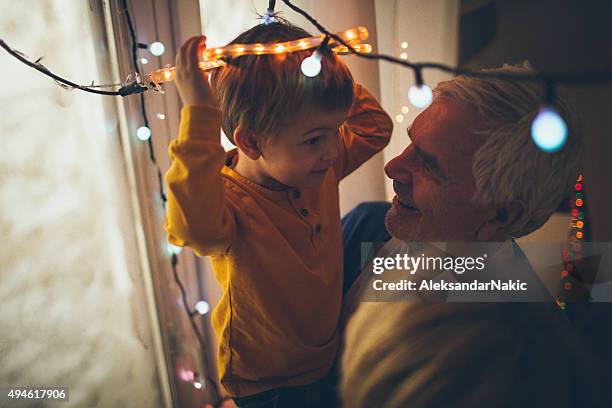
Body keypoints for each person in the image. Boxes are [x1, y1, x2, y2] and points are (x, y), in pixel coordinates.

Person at [340, 64, 609, 406]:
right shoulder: (363, 225)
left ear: (500, 215)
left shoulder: (517, 361)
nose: (392, 167)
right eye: (411, 143)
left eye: (428, 164)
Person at [164, 19, 393, 407]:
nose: (333, 151)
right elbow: (192, 230)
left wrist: (323, 78)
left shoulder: (314, 165)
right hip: (271, 381)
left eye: (334, 131)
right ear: (251, 142)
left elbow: (374, 129)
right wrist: (201, 115)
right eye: (314, 139)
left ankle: (487, 284)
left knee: (375, 217)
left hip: (325, 345)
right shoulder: (228, 200)